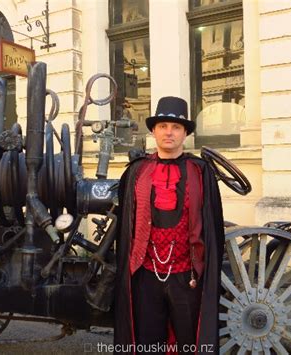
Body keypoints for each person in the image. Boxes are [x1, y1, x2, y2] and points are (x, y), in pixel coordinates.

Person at [114, 96, 224, 355]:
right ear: (153, 131)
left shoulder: (201, 172)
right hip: (145, 274)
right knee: (147, 343)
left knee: (189, 343)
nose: (169, 132)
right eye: (162, 126)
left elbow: (212, 226)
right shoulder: (136, 172)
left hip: (188, 276)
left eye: (175, 127)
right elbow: (125, 228)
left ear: (185, 133)